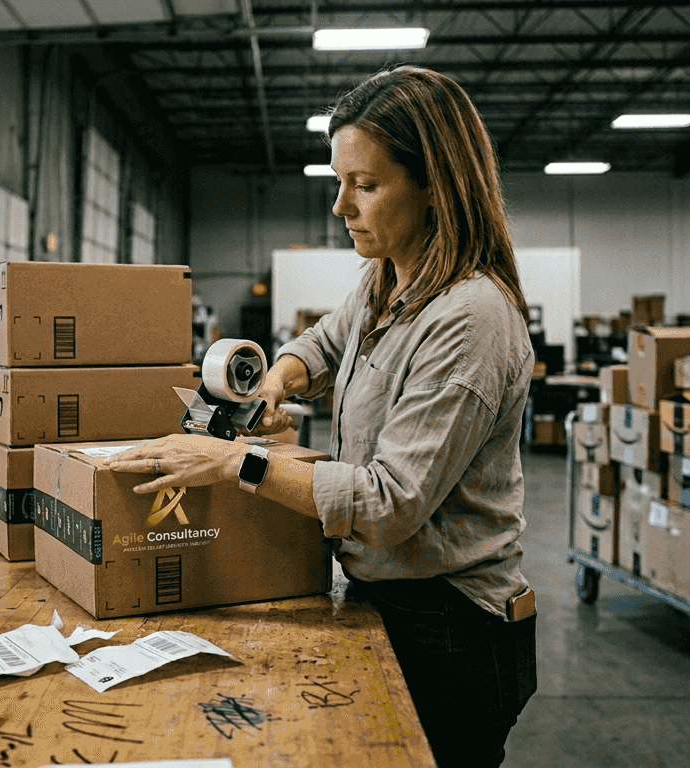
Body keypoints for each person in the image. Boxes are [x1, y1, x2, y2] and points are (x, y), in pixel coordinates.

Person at [107, 65, 536, 767]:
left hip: (454, 626)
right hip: (388, 596)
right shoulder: (388, 276)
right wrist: (278, 378)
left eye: (366, 185)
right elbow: (323, 342)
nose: (341, 206)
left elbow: (392, 503)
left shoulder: (472, 320)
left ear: (437, 186)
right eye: (338, 181)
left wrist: (235, 461)